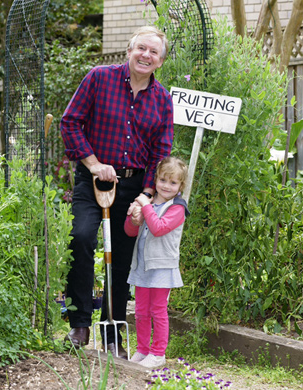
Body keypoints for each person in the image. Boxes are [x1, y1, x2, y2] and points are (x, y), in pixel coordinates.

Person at [60, 26, 174, 359]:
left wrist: (147, 194)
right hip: (93, 179)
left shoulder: (162, 99)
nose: (146, 55)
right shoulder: (99, 78)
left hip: (132, 188)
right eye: (141, 48)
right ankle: (79, 324)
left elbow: (161, 150)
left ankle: (112, 332)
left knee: (122, 259)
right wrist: (94, 163)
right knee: (81, 238)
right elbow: (70, 121)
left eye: (153, 52)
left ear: (160, 62)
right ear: (129, 51)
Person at [124, 156, 189, 369]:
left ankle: (158, 353)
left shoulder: (177, 208)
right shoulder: (149, 204)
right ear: (156, 180)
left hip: (162, 267)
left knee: (157, 310)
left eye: (173, 182)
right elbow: (131, 231)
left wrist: (144, 206)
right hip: (143, 265)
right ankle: (142, 350)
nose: (166, 186)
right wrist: (134, 217)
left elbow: (158, 228)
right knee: (141, 310)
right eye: (162, 180)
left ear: (181, 185)